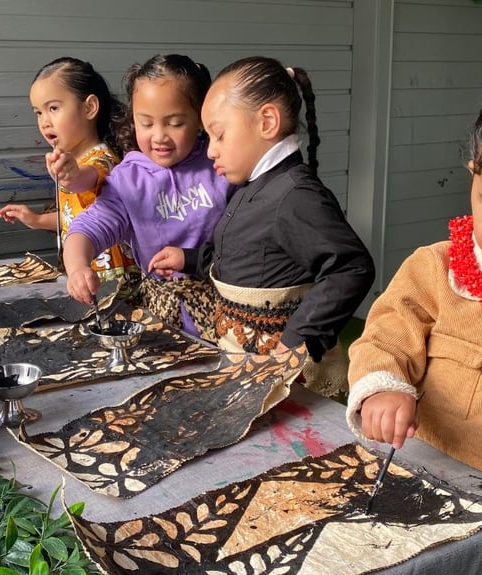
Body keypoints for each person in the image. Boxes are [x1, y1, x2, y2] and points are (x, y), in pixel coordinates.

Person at [149, 56, 375, 396]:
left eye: (219, 135)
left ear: (267, 121)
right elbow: (249, 260)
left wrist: (300, 338)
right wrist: (190, 259)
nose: (211, 151)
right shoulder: (253, 188)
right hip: (246, 360)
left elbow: (351, 267)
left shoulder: (295, 195)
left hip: (285, 372)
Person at [346, 109, 482, 470]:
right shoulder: (436, 268)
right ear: (473, 175)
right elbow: (384, 337)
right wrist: (382, 387)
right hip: (431, 466)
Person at [63, 54, 233, 339]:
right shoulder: (129, 179)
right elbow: (87, 228)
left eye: (175, 123)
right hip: (165, 319)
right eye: (146, 123)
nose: (159, 137)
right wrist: (78, 267)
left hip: (231, 310)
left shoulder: (222, 163)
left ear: (201, 118)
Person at [0, 57, 136, 281]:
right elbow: (73, 215)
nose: (44, 121)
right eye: (38, 113)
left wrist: (71, 177)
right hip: (83, 278)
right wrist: (35, 220)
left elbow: (86, 178)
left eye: (53, 108)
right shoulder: (72, 160)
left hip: (111, 280)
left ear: (90, 108)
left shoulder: (103, 159)